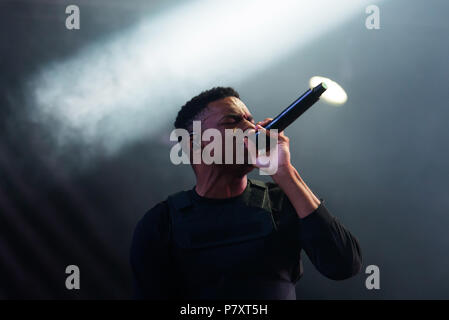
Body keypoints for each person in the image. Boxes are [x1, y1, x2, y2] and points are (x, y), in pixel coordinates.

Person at [130, 87, 362, 299]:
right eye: (232, 121)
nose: (252, 128)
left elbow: (343, 265)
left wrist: (284, 172)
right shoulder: (161, 223)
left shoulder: (281, 201)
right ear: (194, 145)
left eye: (250, 120)